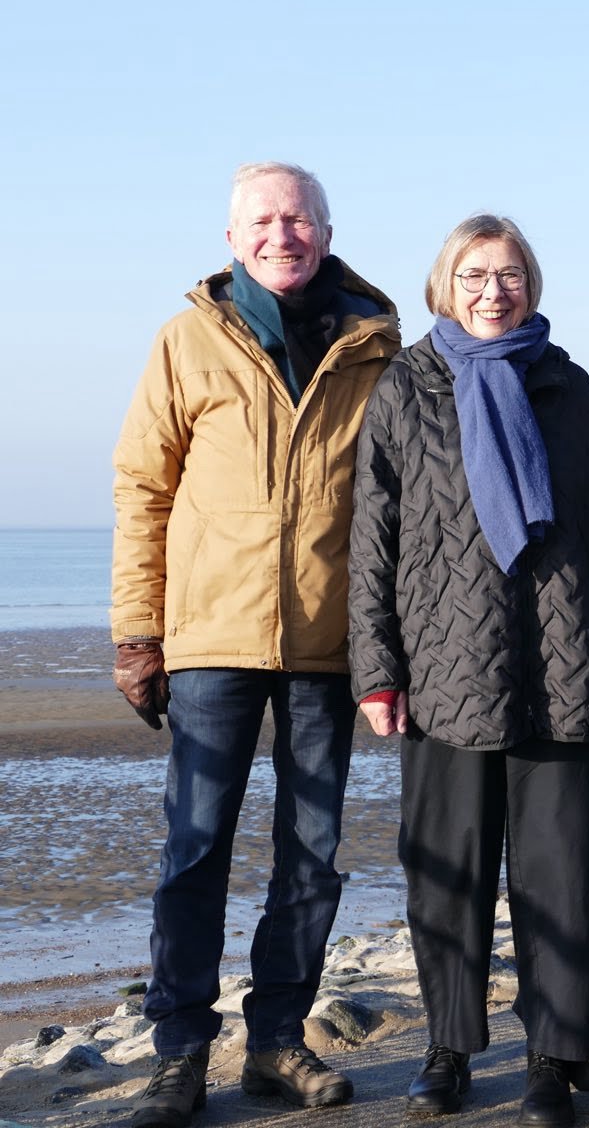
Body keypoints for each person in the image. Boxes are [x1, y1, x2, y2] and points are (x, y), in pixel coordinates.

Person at [111, 161, 400, 1128]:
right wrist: (137, 635)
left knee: (312, 854)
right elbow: (142, 489)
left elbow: (406, 498)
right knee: (195, 850)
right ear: (233, 237)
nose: (284, 234)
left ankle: (277, 1038)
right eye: (264, 221)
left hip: (330, 643)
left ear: (325, 229)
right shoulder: (186, 339)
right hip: (211, 641)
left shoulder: (374, 343)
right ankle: (180, 1052)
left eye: (300, 219)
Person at [345, 215, 589, 1127]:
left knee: (559, 874)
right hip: (444, 667)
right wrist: (376, 670)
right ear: (443, 286)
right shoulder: (406, 387)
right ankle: (447, 1050)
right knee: (447, 872)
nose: (492, 290)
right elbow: (372, 536)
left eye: (508, 274)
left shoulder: (567, 384)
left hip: (563, 662)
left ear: (532, 284)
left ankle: (552, 1058)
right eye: (473, 274)